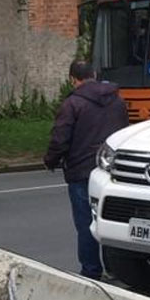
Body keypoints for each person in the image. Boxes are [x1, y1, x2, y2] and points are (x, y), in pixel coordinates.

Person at [44, 60, 129, 279]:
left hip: (81, 170)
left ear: (73, 79)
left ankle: (91, 270)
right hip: (112, 171)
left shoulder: (72, 104)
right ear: (94, 74)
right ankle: (116, 269)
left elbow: (60, 138)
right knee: (110, 221)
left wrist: (51, 160)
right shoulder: (118, 101)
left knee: (86, 223)